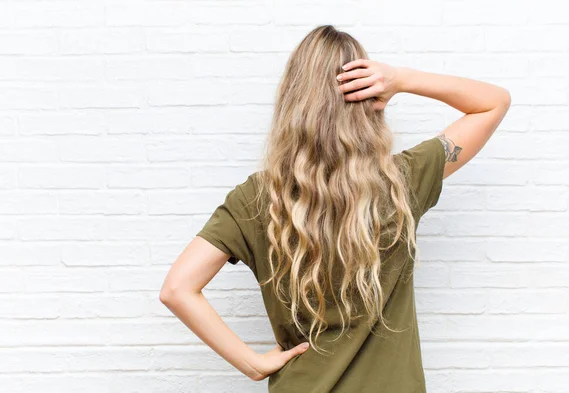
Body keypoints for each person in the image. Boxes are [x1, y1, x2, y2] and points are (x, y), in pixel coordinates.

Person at [159, 25, 511, 393]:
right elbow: (493, 102)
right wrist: (401, 79)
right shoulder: (401, 181)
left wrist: (253, 364)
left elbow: (178, 289)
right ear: (365, 98)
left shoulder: (255, 198)